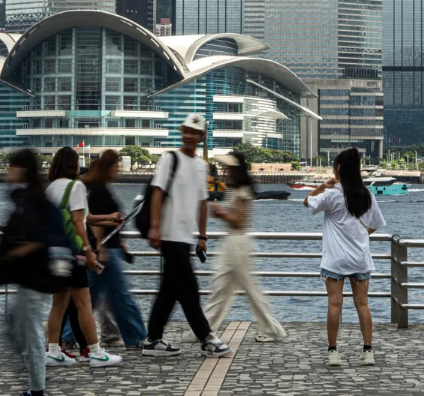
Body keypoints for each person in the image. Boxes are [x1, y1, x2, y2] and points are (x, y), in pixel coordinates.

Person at [143, 113, 231, 359]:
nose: (189, 136)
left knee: (169, 291)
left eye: (194, 133)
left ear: (202, 137)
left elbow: (203, 203)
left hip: (185, 236)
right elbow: (157, 192)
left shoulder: (202, 166)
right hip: (169, 234)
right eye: (186, 131)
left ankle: (152, 340)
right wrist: (154, 226)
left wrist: (202, 237)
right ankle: (207, 338)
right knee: (189, 288)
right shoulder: (170, 158)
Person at [184, 151, 286, 343]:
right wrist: (222, 213)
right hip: (233, 242)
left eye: (229, 167)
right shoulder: (237, 189)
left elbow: (239, 221)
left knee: (239, 289)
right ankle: (204, 329)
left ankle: (272, 329)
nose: (226, 171)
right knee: (222, 288)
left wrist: (221, 213)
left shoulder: (242, 191)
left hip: (237, 242)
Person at [304, 148, 385, 367]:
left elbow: (307, 202)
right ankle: (368, 351)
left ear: (338, 169)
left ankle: (333, 352)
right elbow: (376, 224)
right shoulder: (366, 194)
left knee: (334, 304)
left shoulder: (331, 194)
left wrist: (322, 186)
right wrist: (359, 236)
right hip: (359, 258)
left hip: (335, 260)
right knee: (363, 304)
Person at [0, 149, 68, 396]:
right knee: (15, 327)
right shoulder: (28, 198)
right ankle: (35, 376)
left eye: (11, 167)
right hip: (30, 277)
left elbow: (39, 237)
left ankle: (37, 387)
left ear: (22, 170)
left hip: (34, 277)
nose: (8, 171)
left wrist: (16, 252)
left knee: (30, 333)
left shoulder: (33, 201)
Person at [44, 147, 122, 368]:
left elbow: (82, 217)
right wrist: (88, 249)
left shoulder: (51, 188)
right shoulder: (75, 186)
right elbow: (79, 222)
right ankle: (95, 352)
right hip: (73, 253)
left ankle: (52, 351)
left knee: (58, 304)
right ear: (73, 165)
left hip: (55, 254)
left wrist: (108, 218)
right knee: (84, 304)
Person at [86, 150, 147, 349]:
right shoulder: (99, 190)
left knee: (89, 299)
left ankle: (68, 334)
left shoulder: (100, 188)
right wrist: (102, 247)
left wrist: (119, 240)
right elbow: (94, 221)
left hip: (108, 249)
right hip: (106, 252)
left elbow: (104, 219)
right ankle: (137, 336)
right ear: (108, 167)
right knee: (122, 298)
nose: (118, 169)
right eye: (116, 165)